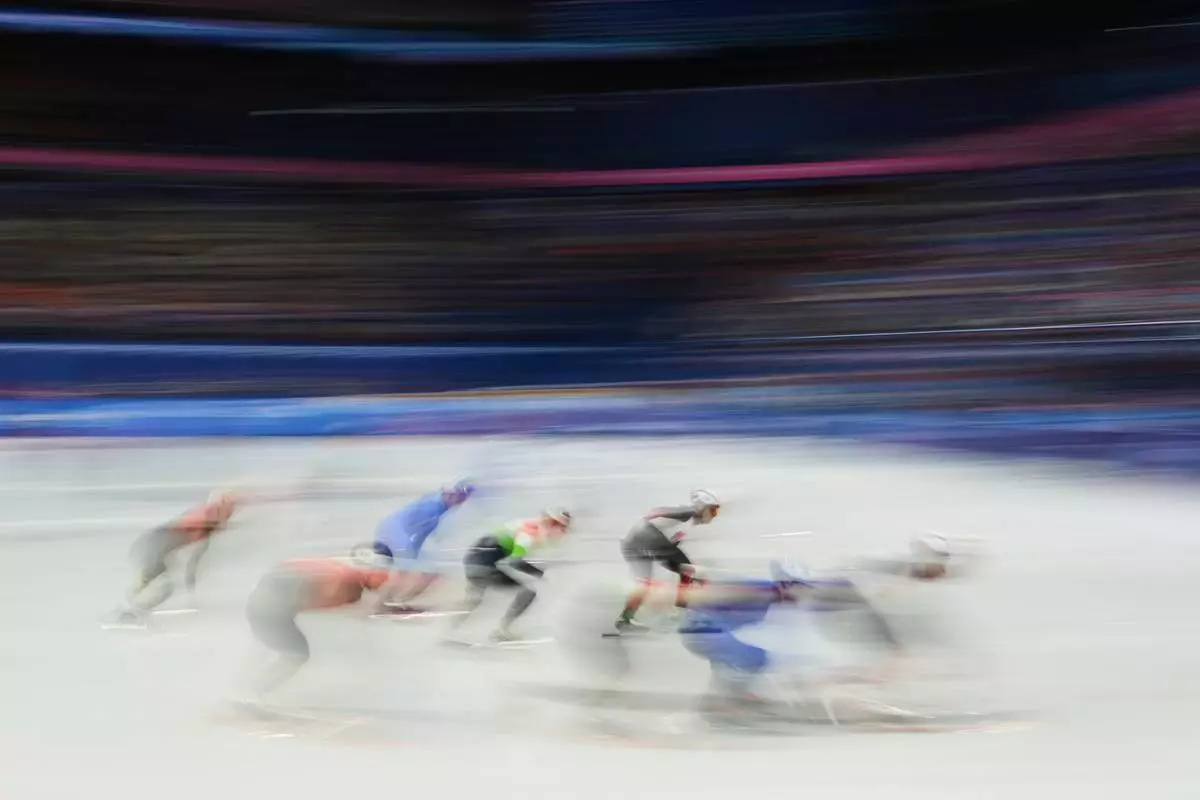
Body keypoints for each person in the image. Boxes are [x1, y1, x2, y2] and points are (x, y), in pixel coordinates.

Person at [679, 560, 903, 713]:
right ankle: (728, 703)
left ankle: (722, 701)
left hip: (709, 629)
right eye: (792, 586)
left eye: (801, 586)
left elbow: (826, 614)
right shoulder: (759, 591)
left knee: (748, 657)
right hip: (700, 626)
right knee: (752, 657)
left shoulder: (790, 597)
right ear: (782, 583)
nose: (797, 592)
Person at [243, 550, 391, 704]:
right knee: (296, 653)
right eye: (384, 577)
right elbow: (319, 599)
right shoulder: (346, 583)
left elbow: (287, 565)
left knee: (275, 646)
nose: (386, 582)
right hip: (270, 610)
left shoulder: (342, 572)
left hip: (266, 602)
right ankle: (251, 691)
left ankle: (246, 685)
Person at [114, 490, 240, 625]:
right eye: (228, 510)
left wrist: (190, 583)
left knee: (158, 582)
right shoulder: (205, 517)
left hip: (157, 546)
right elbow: (191, 523)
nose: (229, 515)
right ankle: (133, 611)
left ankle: (131, 610)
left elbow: (195, 559)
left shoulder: (209, 527)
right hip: (155, 543)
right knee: (162, 584)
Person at [447, 507, 572, 643]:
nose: (562, 533)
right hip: (482, 564)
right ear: (552, 523)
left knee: (473, 600)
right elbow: (515, 562)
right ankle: (502, 630)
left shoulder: (530, 524)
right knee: (528, 593)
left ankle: (446, 631)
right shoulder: (531, 531)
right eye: (561, 528)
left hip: (474, 559)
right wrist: (540, 574)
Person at [613, 489, 720, 634]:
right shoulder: (688, 513)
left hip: (637, 544)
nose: (714, 516)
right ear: (701, 507)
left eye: (716, 512)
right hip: (646, 541)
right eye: (712, 511)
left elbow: (669, 544)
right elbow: (653, 517)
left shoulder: (688, 518)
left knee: (645, 584)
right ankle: (686, 617)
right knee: (694, 572)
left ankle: (625, 619)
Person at [367, 479, 474, 614]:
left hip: (393, 533)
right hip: (395, 536)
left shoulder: (439, 506)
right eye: (460, 498)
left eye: (464, 499)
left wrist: (414, 556)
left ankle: (393, 602)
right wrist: (409, 557)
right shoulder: (433, 507)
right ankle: (387, 604)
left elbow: (420, 534)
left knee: (425, 572)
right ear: (451, 495)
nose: (461, 503)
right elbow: (414, 531)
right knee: (416, 573)